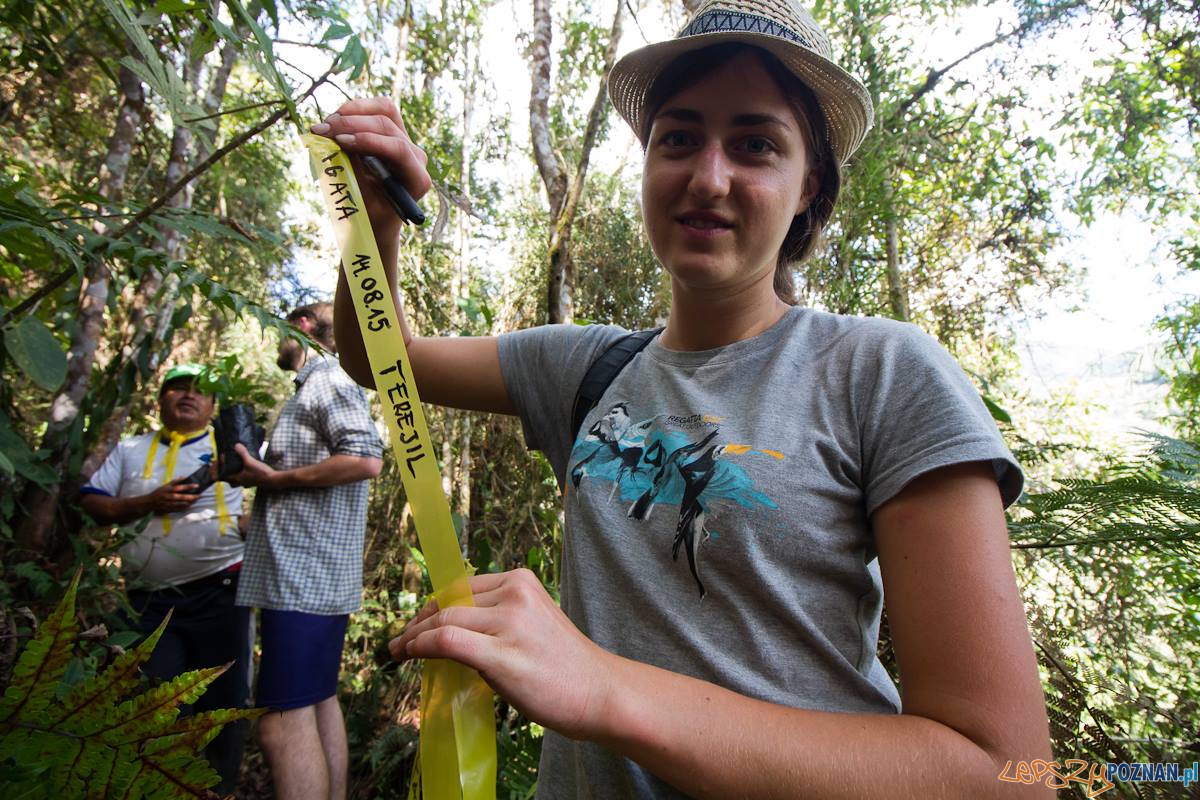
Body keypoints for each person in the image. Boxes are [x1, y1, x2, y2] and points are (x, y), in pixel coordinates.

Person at [318, 0, 1055, 795]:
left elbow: (1008, 774)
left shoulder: (880, 371)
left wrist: (603, 687)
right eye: (678, 138)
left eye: (755, 144)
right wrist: (377, 223)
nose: (709, 177)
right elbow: (373, 356)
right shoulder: (585, 369)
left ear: (809, 185)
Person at [230, 302, 383, 800]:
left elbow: (363, 458)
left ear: (298, 326)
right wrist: (261, 510)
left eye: (278, 331)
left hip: (302, 581)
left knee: (279, 725)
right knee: (317, 704)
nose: (275, 342)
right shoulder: (318, 385)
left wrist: (275, 478)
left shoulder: (326, 379)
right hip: (308, 578)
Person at [79, 363, 251, 796]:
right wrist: (147, 502)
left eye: (198, 390)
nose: (187, 395)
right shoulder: (131, 449)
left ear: (212, 405)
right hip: (147, 602)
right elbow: (94, 502)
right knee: (150, 700)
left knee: (223, 700)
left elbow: (277, 488)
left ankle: (217, 788)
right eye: (176, 388)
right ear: (160, 400)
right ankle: (150, 785)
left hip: (221, 591)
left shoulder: (233, 450)